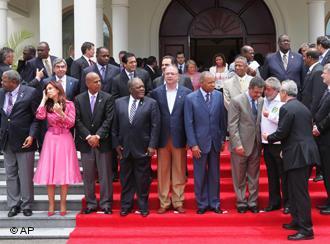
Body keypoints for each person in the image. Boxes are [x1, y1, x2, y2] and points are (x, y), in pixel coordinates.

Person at [264, 80, 319, 241]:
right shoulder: (303, 107)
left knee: (299, 192)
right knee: (295, 190)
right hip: (303, 153)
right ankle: (296, 221)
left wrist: (269, 138)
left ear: (284, 93)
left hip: (298, 155)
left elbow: (282, 132)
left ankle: (306, 229)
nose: (279, 94)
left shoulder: (286, 108)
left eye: (280, 91)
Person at [112, 78, 160, 217]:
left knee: (143, 179)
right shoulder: (119, 103)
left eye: (143, 87)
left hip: (143, 148)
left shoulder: (151, 103)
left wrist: (152, 145)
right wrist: (116, 145)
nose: (142, 89)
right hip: (124, 149)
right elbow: (114, 126)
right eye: (138, 87)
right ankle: (126, 206)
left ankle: (143, 206)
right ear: (130, 89)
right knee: (125, 179)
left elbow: (155, 127)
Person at [33, 81, 82, 216]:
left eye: (50, 88)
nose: (47, 91)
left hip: (65, 138)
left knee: (63, 172)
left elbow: (71, 123)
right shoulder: (47, 105)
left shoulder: (70, 104)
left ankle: (63, 204)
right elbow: (39, 116)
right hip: (50, 139)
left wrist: (61, 113)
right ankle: (51, 204)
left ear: (58, 89)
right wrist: (43, 100)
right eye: (46, 89)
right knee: (50, 173)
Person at [150, 65, 192, 214]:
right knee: (163, 172)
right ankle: (164, 202)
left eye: (172, 74)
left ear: (178, 76)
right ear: (163, 75)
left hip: (180, 137)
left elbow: (189, 118)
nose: (169, 76)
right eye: (167, 73)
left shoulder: (187, 93)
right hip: (162, 138)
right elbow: (153, 117)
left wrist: (189, 139)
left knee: (179, 170)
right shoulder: (156, 93)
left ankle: (178, 201)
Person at [184, 71, 226, 214]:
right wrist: (193, 144)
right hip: (199, 144)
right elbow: (188, 123)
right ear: (201, 83)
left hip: (215, 142)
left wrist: (221, 139)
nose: (213, 85)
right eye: (210, 83)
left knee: (215, 175)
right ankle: (201, 204)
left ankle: (215, 203)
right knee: (200, 175)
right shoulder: (190, 98)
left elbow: (222, 120)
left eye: (214, 82)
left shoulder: (219, 96)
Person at [0, 70, 39, 217]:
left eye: (4, 80)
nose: (2, 83)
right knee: (10, 174)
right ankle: (14, 204)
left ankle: (27, 204)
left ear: (13, 82)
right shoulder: (1, 93)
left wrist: (32, 135)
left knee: (26, 175)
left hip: (25, 140)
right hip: (6, 140)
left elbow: (37, 118)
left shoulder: (31, 92)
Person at [75, 72, 115, 214]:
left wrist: (97, 136)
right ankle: (91, 204)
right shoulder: (79, 99)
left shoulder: (108, 98)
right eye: (95, 81)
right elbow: (77, 120)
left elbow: (109, 120)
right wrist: (88, 137)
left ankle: (105, 204)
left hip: (102, 143)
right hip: (86, 144)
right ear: (87, 83)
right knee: (88, 176)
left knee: (105, 175)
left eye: (99, 81)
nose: (99, 84)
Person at [228, 77, 265, 213]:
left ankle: (253, 202)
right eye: (255, 92)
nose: (258, 95)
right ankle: (241, 201)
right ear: (249, 88)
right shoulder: (237, 101)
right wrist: (237, 144)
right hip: (240, 145)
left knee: (254, 176)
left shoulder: (261, 101)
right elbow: (232, 125)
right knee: (239, 176)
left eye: (260, 93)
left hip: (256, 144)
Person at [261, 77, 289, 213]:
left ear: (276, 90)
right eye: (265, 89)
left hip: (278, 143)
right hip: (266, 143)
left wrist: (269, 116)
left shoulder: (282, 102)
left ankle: (288, 203)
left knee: (283, 174)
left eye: (268, 89)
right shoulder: (263, 100)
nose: (265, 92)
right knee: (271, 175)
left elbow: (284, 121)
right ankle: (274, 202)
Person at [313, 63, 330, 214]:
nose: (322, 75)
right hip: (324, 139)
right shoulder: (327, 90)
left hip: (327, 137)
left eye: (324, 73)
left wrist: (320, 127)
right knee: (326, 170)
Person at [301, 48, 326, 117]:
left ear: (309, 58)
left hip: (311, 113)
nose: (303, 59)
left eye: (304, 57)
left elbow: (316, 97)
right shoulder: (313, 69)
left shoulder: (318, 71)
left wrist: (311, 116)